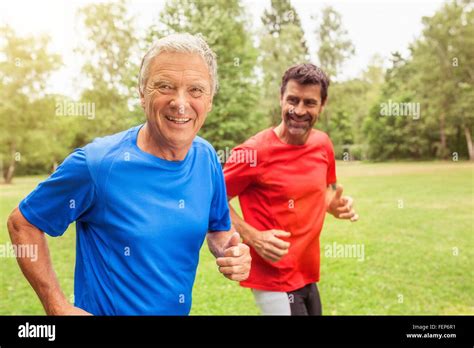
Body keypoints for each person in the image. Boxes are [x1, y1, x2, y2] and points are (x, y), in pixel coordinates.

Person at [7, 33, 251, 316]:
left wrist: (231, 252)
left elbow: (219, 230)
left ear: (209, 100)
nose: (180, 103)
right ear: (141, 93)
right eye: (165, 86)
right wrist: (57, 306)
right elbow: (22, 223)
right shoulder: (98, 164)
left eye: (195, 90)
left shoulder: (206, 157)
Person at [223, 63, 358, 315]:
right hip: (273, 277)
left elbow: (324, 191)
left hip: (306, 271)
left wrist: (334, 205)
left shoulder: (322, 144)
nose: (298, 110)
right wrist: (254, 237)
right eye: (292, 100)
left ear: (322, 105)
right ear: (281, 98)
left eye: (309, 103)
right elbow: (213, 199)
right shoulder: (253, 152)